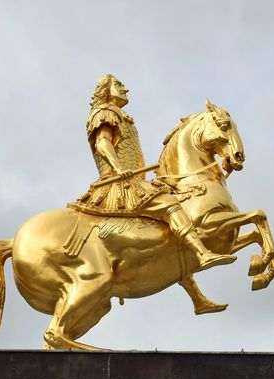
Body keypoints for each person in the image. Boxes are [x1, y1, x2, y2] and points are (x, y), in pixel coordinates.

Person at [69, 74, 235, 271]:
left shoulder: (121, 117)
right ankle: (202, 253)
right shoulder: (104, 112)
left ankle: (196, 295)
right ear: (106, 90)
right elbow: (102, 142)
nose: (125, 88)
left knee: (167, 232)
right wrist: (119, 169)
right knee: (170, 205)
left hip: (133, 180)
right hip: (118, 183)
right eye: (119, 84)